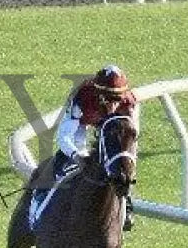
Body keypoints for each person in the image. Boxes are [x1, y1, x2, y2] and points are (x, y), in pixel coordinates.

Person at [44, 64, 138, 231]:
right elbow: (65, 137)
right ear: (97, 93)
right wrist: (77, 156)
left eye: (117, 99)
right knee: (65, 161)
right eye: (107, 99)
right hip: (82, 125)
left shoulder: (128, 103)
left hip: (111, 127)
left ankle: (127, 205)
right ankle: (42, 205)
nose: (113, 105)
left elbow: (131, 139)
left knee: (121, 164)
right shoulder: (83, 97)